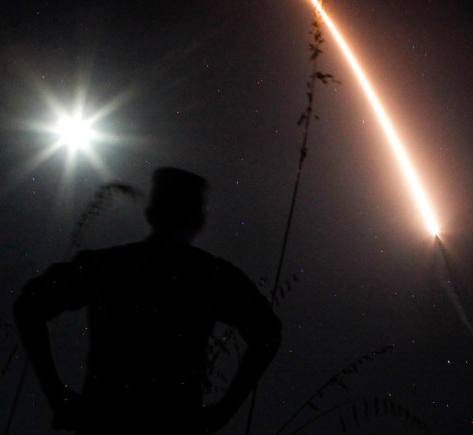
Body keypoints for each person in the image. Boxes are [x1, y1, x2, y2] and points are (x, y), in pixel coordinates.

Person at [14, 167, 281, 434]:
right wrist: (223, 413)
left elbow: (29, 305)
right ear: (198, 219)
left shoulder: (106, 265)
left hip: (106, 422)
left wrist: (57, 396)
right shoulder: (210, 276)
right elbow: (268, 333)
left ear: (152, 212)